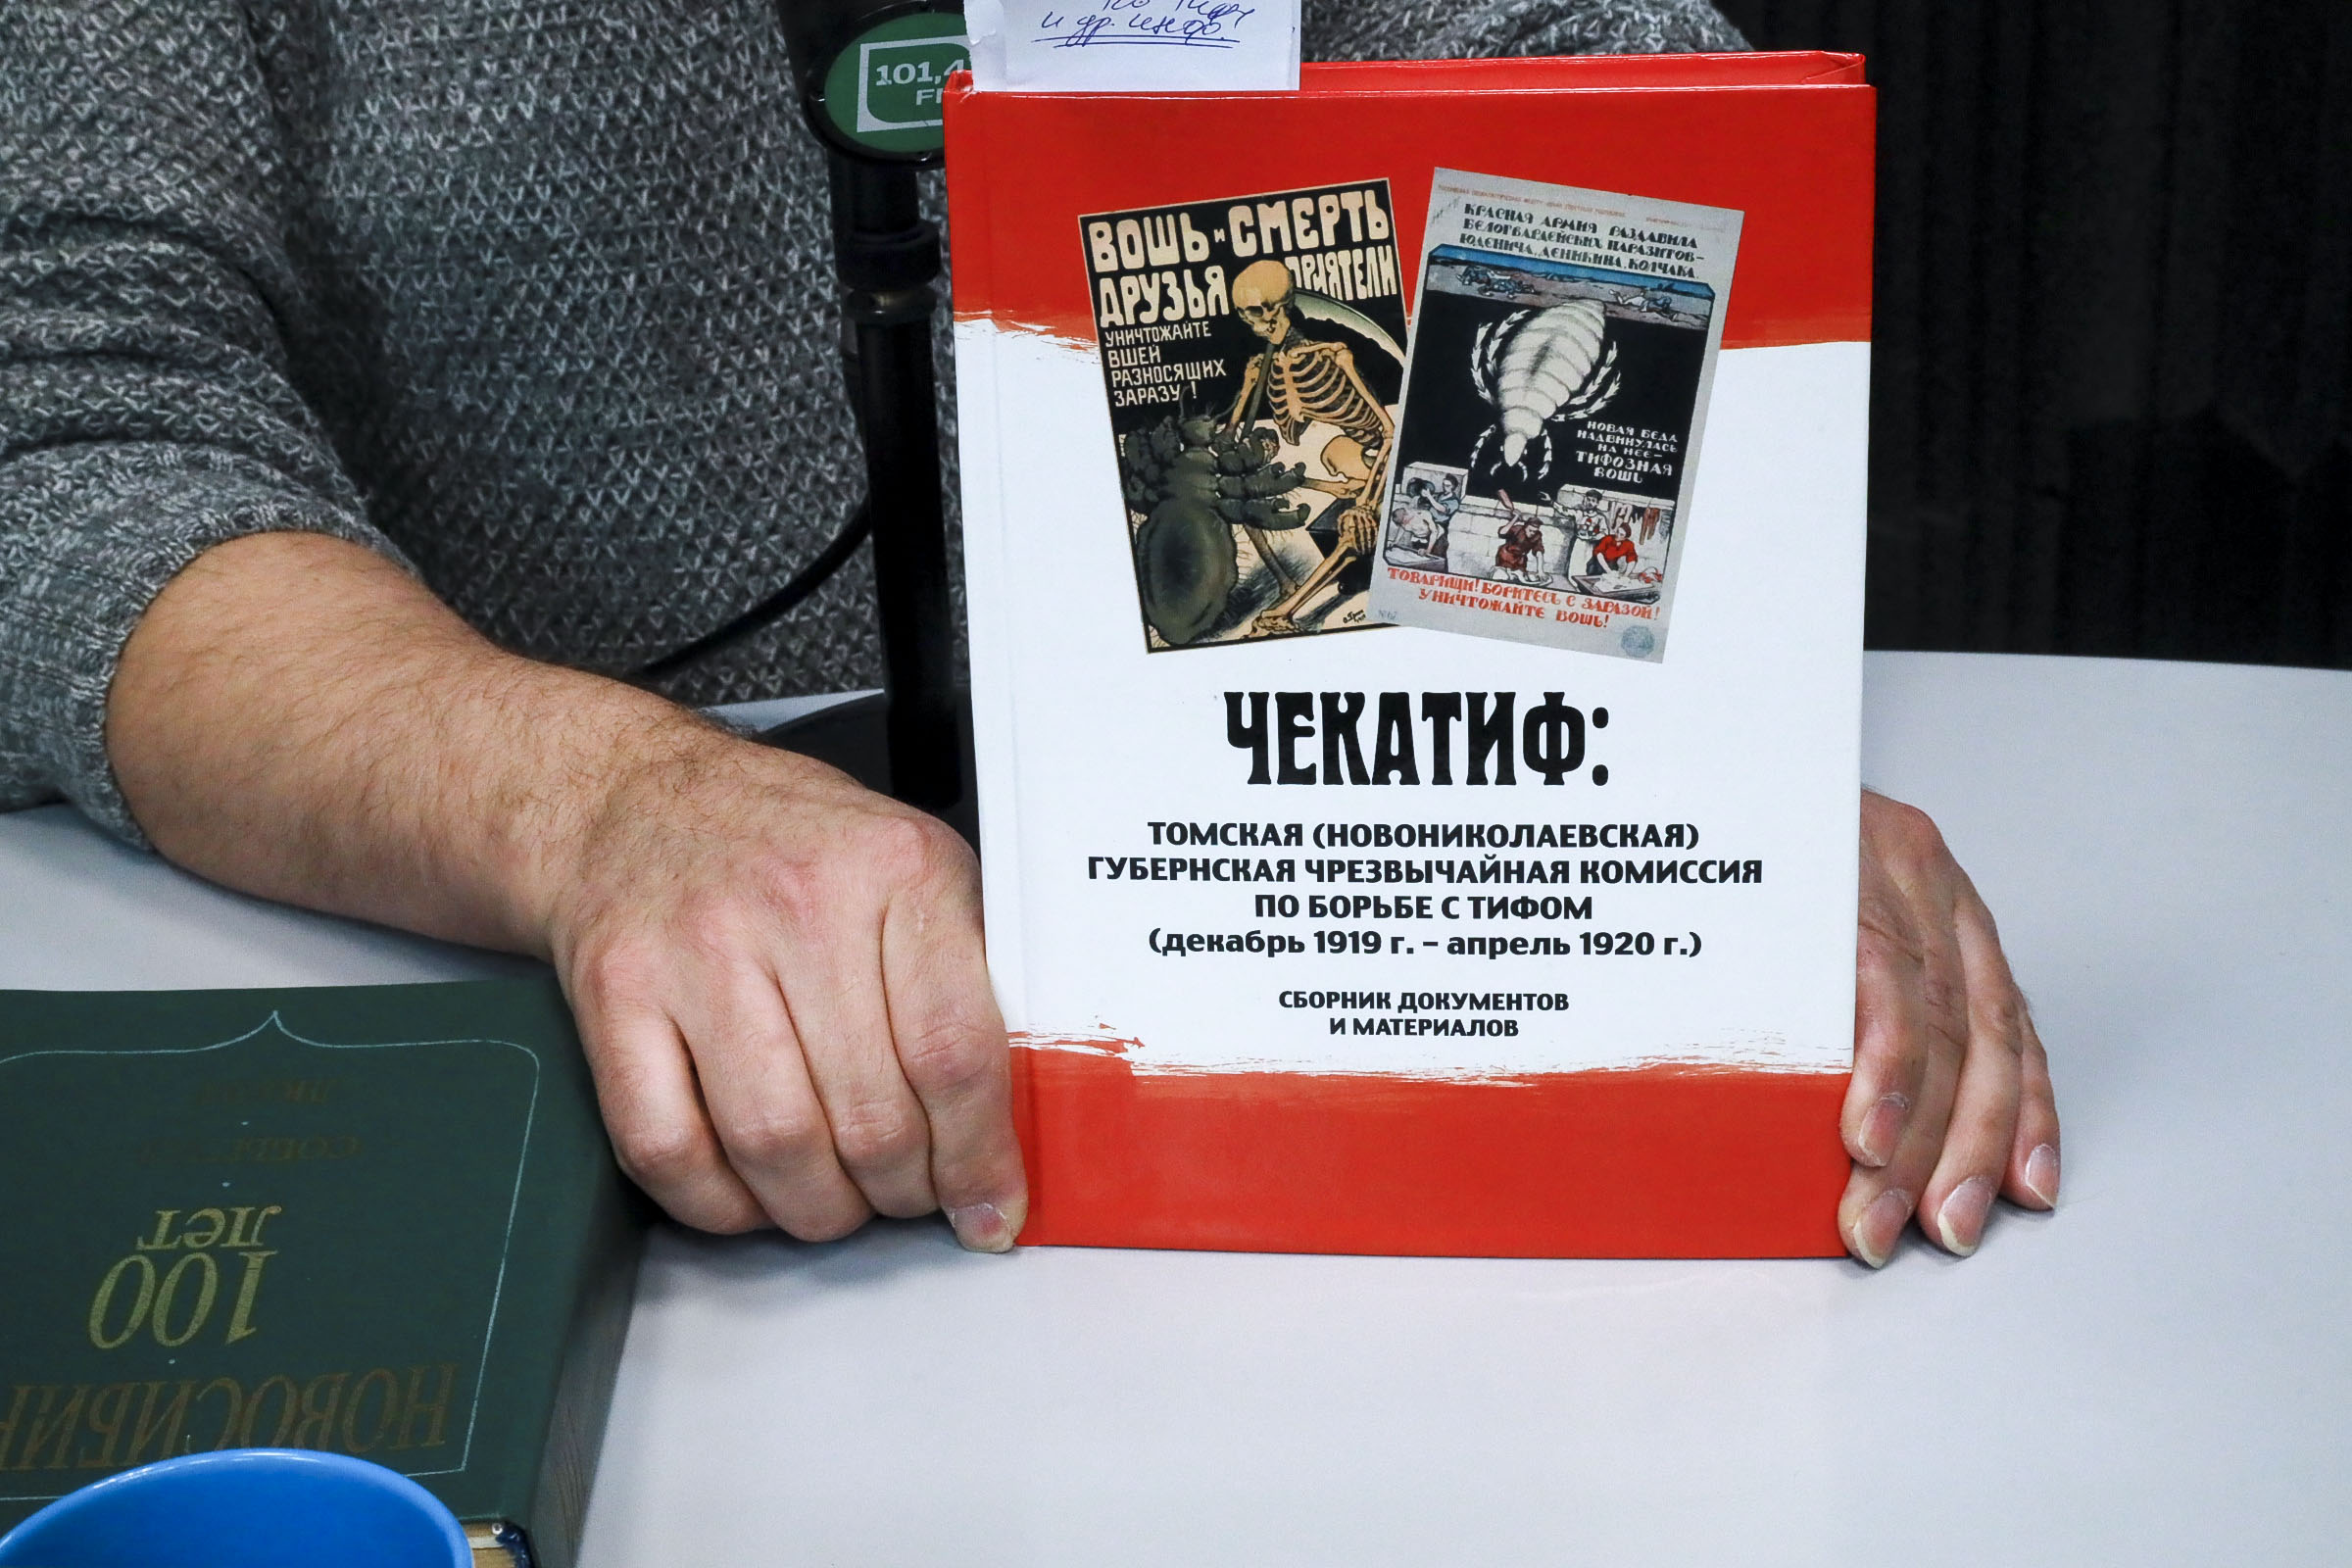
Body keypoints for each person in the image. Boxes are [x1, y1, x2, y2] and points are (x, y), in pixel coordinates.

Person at [0, 0, 2056, 1269]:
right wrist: (589, 801)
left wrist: (1695, 772)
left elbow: (1597, 116)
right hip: (572, 1072)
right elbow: (71, 421)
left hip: (1335, 964)